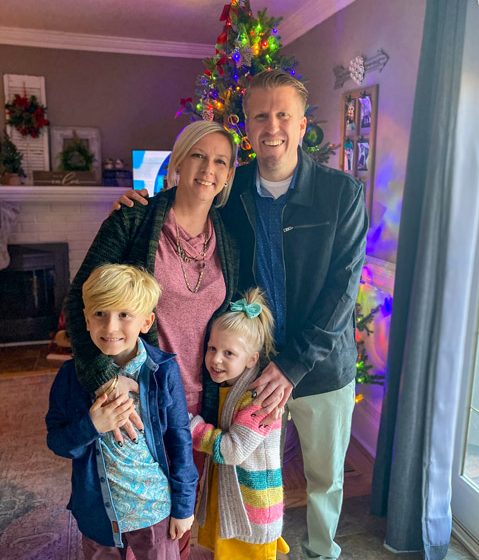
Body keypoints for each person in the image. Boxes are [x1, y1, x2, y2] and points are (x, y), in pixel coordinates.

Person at [115, 69, 368, 559]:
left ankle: (321, 552)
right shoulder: (232, 189)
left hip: (318, 369)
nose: (271, 125)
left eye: (283, 115)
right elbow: (187, 206)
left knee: (323, 478)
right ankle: (249, 549)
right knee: (243, 470)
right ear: (246, 125)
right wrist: (138, 208)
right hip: (246, 368)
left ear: (300, 125)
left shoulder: (342, 194)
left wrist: (293, 366)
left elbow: (342, 291)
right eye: (260, 115)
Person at [65, 120, 239, 559]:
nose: (208, 168)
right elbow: (78, 299)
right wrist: (106, 377)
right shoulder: (136, 218)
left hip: (200, 401)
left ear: (229, 175)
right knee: (123, 519)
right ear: (178, 162)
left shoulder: (231, 237)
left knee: (180, 513)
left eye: (220, 160)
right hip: (139, 397)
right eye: (198, 155)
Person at [46, 264, 198, 559]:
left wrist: (184, 505)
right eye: (100, 313)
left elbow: (180, 440)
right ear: (86, 321)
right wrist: (92, 425)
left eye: (124, 315)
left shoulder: (163, 371)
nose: (110, 327)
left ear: (146, 321)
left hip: (154, 509)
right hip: (97, 514)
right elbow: (57, 441)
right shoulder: (69, 377)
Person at [190, 288, 289, 559]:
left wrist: (191, 426)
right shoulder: (231, 388)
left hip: (252, 509)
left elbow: (233, 450)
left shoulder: (258, 399)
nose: (216, 359)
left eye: (229, 353)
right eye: (212, 348)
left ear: (252, 359)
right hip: (235, 500)